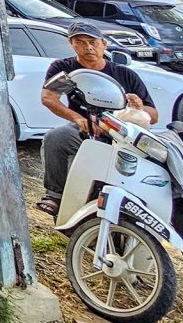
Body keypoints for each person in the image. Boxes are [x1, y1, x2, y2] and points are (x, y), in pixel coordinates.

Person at [35, 20, 157, 216]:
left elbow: (154, 115)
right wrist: (77, 118)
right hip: (84, 130)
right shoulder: (65, 69)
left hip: (121, 135)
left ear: (104, 44)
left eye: (93, 41)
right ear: (71, 44)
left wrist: (139, 108)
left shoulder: (124, 74)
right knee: (56, 137)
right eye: (80, 42)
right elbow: (48, 97)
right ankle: (55, 195)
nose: (88, 47)